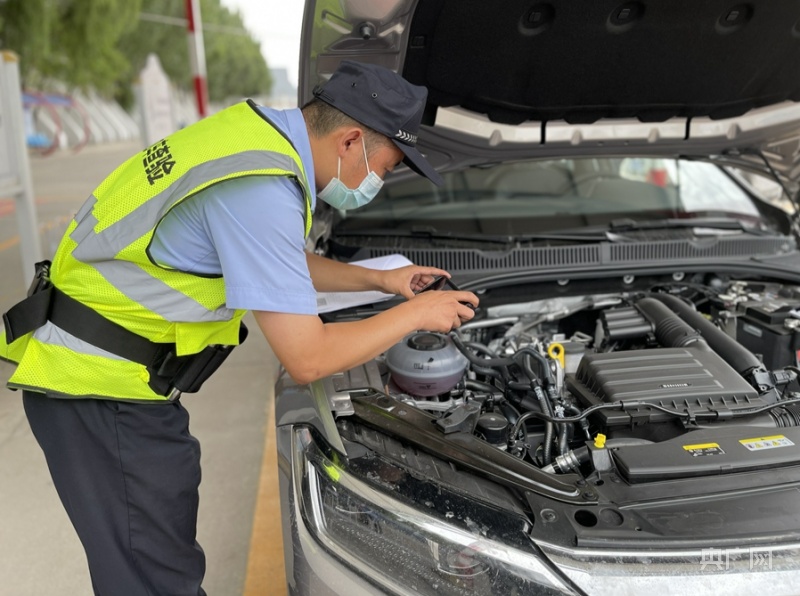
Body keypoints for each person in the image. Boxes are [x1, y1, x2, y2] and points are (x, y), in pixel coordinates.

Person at [0, 60, 478, 595]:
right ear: (349, 143)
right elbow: (308, 358)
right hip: (100, 391)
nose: (378, 183)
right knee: (154, 582)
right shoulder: (260, 186)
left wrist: (381, 281)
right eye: (385, 168)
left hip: (101, 378)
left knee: (153, 566)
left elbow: (267, 259)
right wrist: (415, 315)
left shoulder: (251, 140)